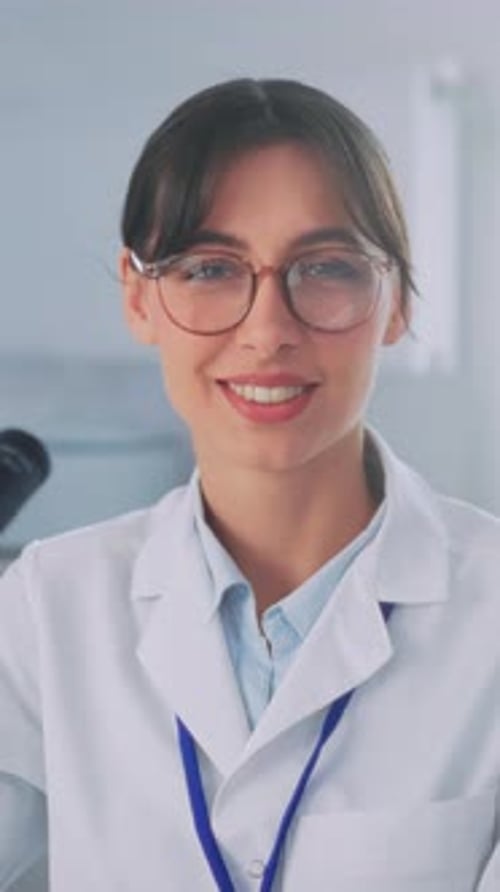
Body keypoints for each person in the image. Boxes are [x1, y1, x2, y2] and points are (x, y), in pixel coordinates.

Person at [0, 78, 499, 892]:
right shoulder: (48, 608)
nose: (268, 330)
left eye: (327, 267)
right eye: (209, 269)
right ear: (139, 297)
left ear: (397, 301)